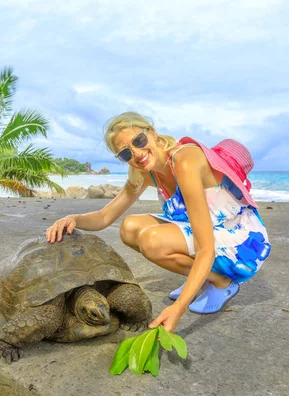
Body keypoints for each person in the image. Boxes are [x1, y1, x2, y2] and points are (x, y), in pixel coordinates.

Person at [46, 112, 271, 333]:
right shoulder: (144, 172)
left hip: (240, 238)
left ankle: (223, 284)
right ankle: (206, 278)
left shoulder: (184, 161)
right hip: (202, 229)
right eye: (125, 153)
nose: (136, 153)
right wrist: (72, 219)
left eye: (139, 141)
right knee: (129, 228)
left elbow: (206, 248)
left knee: (152, 240)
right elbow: (106, 216)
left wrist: (178, 308)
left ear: (152, 133)